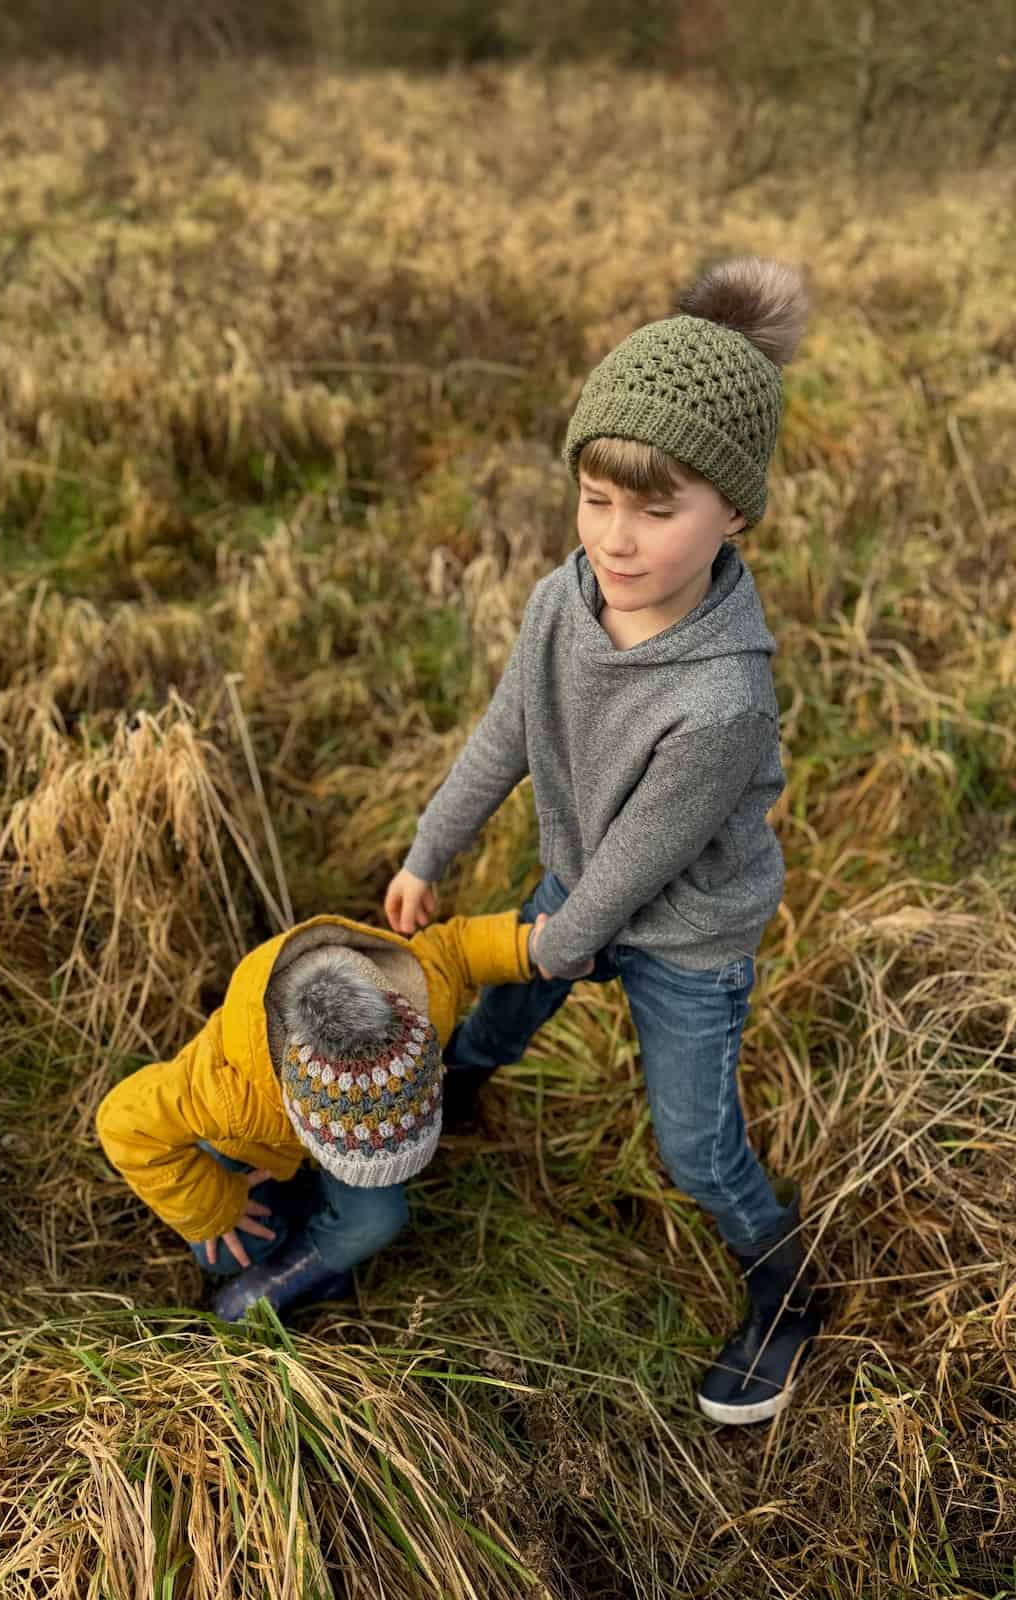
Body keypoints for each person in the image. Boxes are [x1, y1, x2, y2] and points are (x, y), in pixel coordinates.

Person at [384, 258, 824, 1425]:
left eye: (656, 506)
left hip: (682, 931)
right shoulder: (560, 601)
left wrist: (553, 939)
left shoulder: (722, 695)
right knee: (503, 1012)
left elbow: (641, 865)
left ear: (732, 509)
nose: (617, 539)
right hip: (577, 877)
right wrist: (431, 851)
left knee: (693, 1140)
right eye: (596, 496)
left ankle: (782, 1288)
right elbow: (506, 734)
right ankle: (454, 1093)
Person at [96, 906, 571, 1322]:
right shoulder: (222, 1092)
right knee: (223, 1253)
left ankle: (303, 1269)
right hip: (251, 1149)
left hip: (323, 1137)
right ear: (297, 1113)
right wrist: (217, 1205)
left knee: (377, 1217)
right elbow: (123, 1122)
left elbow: (455, 948)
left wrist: (526, 945)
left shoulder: (421, 1002)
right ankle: (288, 1220)